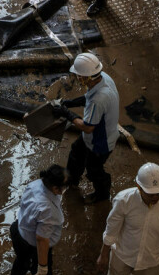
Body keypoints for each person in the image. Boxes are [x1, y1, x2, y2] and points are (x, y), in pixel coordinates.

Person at [51, 52, 119, 204]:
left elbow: (87, 128)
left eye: (79, 76)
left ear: (86, 77)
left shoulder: (98, 100)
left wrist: (66, 113)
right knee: (76, 152)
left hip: (100, 141)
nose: (77, 78)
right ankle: (72, 180)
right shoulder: (103, 78)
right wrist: (69, 103)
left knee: (94, 169)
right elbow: (87, 98)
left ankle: (102, 194)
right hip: (97, 134)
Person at [8, 164, 68, 275]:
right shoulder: (47, 208)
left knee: (21, 262)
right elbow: (42, 239)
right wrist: (42, 265)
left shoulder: (36, 184)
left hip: (18, 229)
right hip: (32, 243)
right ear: (55, 188)